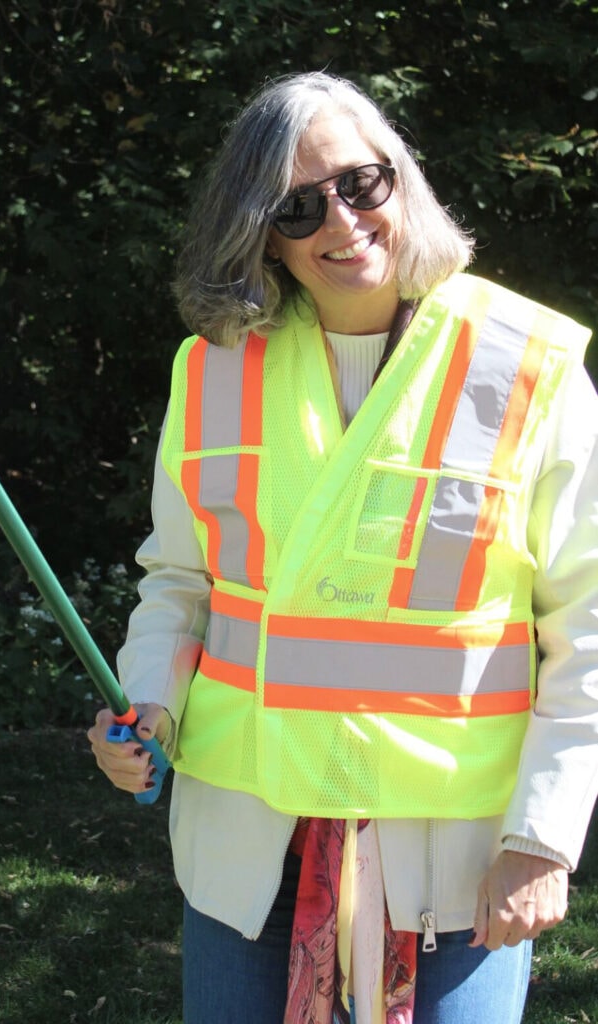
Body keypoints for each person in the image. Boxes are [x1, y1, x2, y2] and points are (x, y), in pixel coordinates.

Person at [88, 71, 598, 1024]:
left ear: (400, 178)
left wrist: (543, 837)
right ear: (260, 233)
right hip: (248, 842)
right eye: (296, 205)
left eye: (362, 183)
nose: (342, 219)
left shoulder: (525, 365)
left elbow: (588, 625)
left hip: (458, 851)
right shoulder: (211, 369)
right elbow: (179, 582)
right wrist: (147, 703)